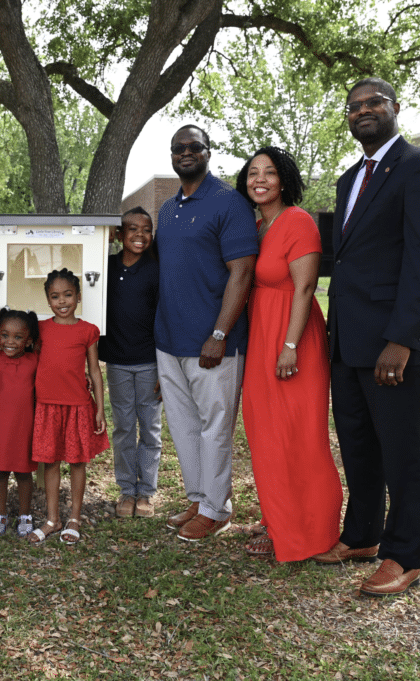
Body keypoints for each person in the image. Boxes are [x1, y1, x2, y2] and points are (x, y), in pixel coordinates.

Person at [315, 78, 420, 596]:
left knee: (400, 451)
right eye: (354, 106)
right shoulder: (350, 177)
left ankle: (404, 554)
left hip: (390, 343)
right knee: (357, 444)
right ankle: (363, 535)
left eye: (374, 103)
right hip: (347, 339)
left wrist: (403, 339)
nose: (363, 111)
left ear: (396, 108)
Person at [235, 147, 342, 561]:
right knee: (267, 436)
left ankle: (314, 532)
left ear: (284, 180)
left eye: (269, 172)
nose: (259, 179)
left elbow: (304, 287)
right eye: (252, 173)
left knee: (300, 436)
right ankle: (279, 522)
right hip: (262, 337)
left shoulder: (298, 222)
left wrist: (290, 346)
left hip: (292, 340)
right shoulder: (257, 225)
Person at [154, 125, 258, 541]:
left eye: (193, 147)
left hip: (213, 343)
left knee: (215, 426)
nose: (185, 153)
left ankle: (218, 509)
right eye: (178, 148)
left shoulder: (228, 202)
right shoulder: (167, 208)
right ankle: (199, 498)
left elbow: (243, 271)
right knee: (183, 425)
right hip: (169, 339)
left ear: (207, 152)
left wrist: (219, 332)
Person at [30, 269, 109, 545]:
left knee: (77, 462)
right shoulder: (40, 329)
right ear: (47, 299)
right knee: (50, 462)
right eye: (55, 296)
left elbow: (95, 372)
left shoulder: (87, 331)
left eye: (67, 295)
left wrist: (99, 408)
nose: (62, 301)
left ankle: (74, 516)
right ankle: (53, 519)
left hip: (77, 406)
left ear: (78, 296)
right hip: (48, 407)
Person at [99, 207, 162, 519]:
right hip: (119, 362)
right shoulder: (105, 266)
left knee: (150, 428)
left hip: (151, 362)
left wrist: (165, 367)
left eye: (146, 229)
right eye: (132, 229)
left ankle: (146, 492)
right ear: (119, 235)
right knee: (124, 427)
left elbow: (165, 318)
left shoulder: (156, 269)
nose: (140, 235)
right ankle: (126, 489)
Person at [0, 308, 40, 538]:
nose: (10, 341)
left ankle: (25, 514)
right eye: (5, 335)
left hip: (23, 428)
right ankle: (0, 515)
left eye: (18, 337)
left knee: (23, 473)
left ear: (28, 341)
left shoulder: (34, 361)